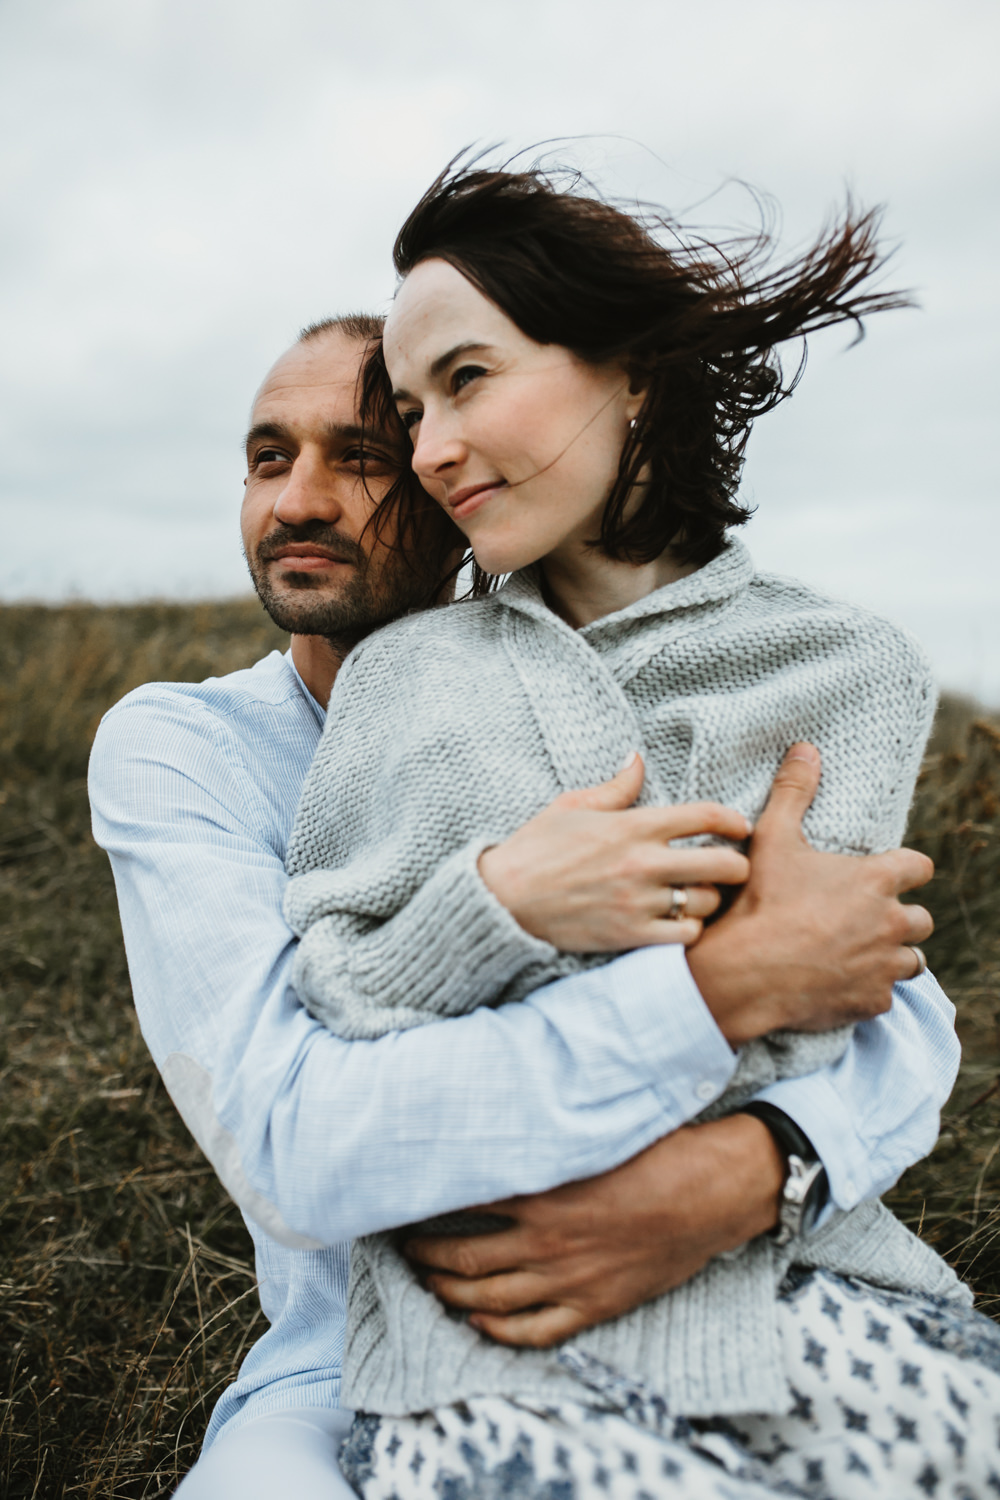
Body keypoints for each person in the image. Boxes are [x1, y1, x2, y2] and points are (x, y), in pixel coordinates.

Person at [89, 310, 960, 1500]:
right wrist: (694, 985)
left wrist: (754, 1169)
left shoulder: (612, 675)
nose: (295, 501)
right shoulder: (185, 747)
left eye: (360, 458)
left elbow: (891, 1008)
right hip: (336, 1370)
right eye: (265, 457)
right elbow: (291, 1142)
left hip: (696, 1288)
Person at [280, 164, 1000, 1498]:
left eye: (469, 378)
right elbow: (335, 1025)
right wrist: (502, 904)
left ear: (630, 372)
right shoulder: (404, 675)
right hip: (481, 1338)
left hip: (807, 1296)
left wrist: (706, 1101)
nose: (430, 447)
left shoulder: (847, 668)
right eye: (413, 408)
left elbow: (818, 1027)